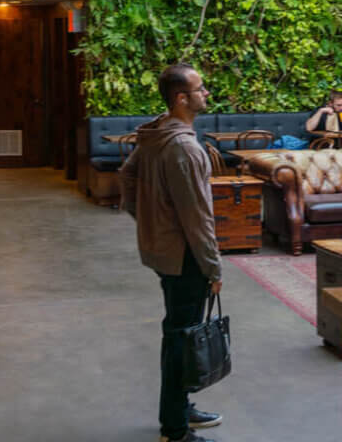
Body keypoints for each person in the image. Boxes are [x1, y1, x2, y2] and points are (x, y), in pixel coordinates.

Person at [119, 64, 224, 442]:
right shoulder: (183, 147)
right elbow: (198, 217)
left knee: (179, 333)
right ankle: (175, 430)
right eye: (201, 88)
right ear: (182, 98)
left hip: (166, 253)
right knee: (182, 339)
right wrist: (213, 269)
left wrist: (148, 222)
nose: (206, 93)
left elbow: (127, 178)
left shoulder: (156, 134)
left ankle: (180, 409)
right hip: (186, 259)